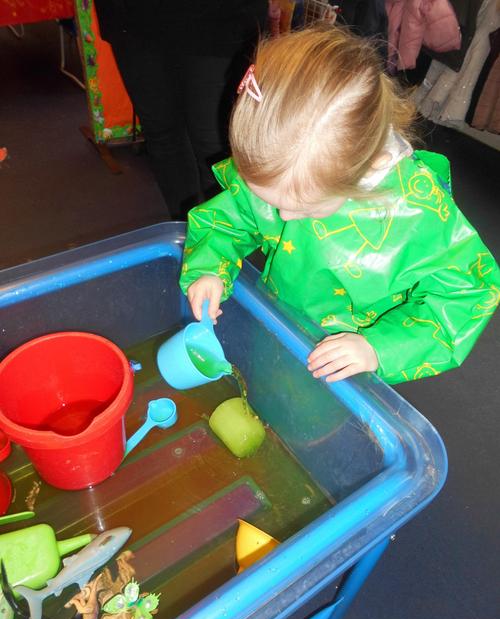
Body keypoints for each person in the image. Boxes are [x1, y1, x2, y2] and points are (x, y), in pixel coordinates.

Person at [179, 25, 500, 385]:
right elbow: (230, 218)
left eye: (305, 207)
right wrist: (209, 268)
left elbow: (467, 293)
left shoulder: (416, 212)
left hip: (348, 359)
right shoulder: (284, 167)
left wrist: (378, 348)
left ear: (370, 164)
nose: (284, 216)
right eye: (270, 200)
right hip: (282, 318)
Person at [94, 0, 268, 220]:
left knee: (217, 148)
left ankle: (226, 236)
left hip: (218, 18)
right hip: (134, 18)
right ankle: (188, 229)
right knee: (163, 136)